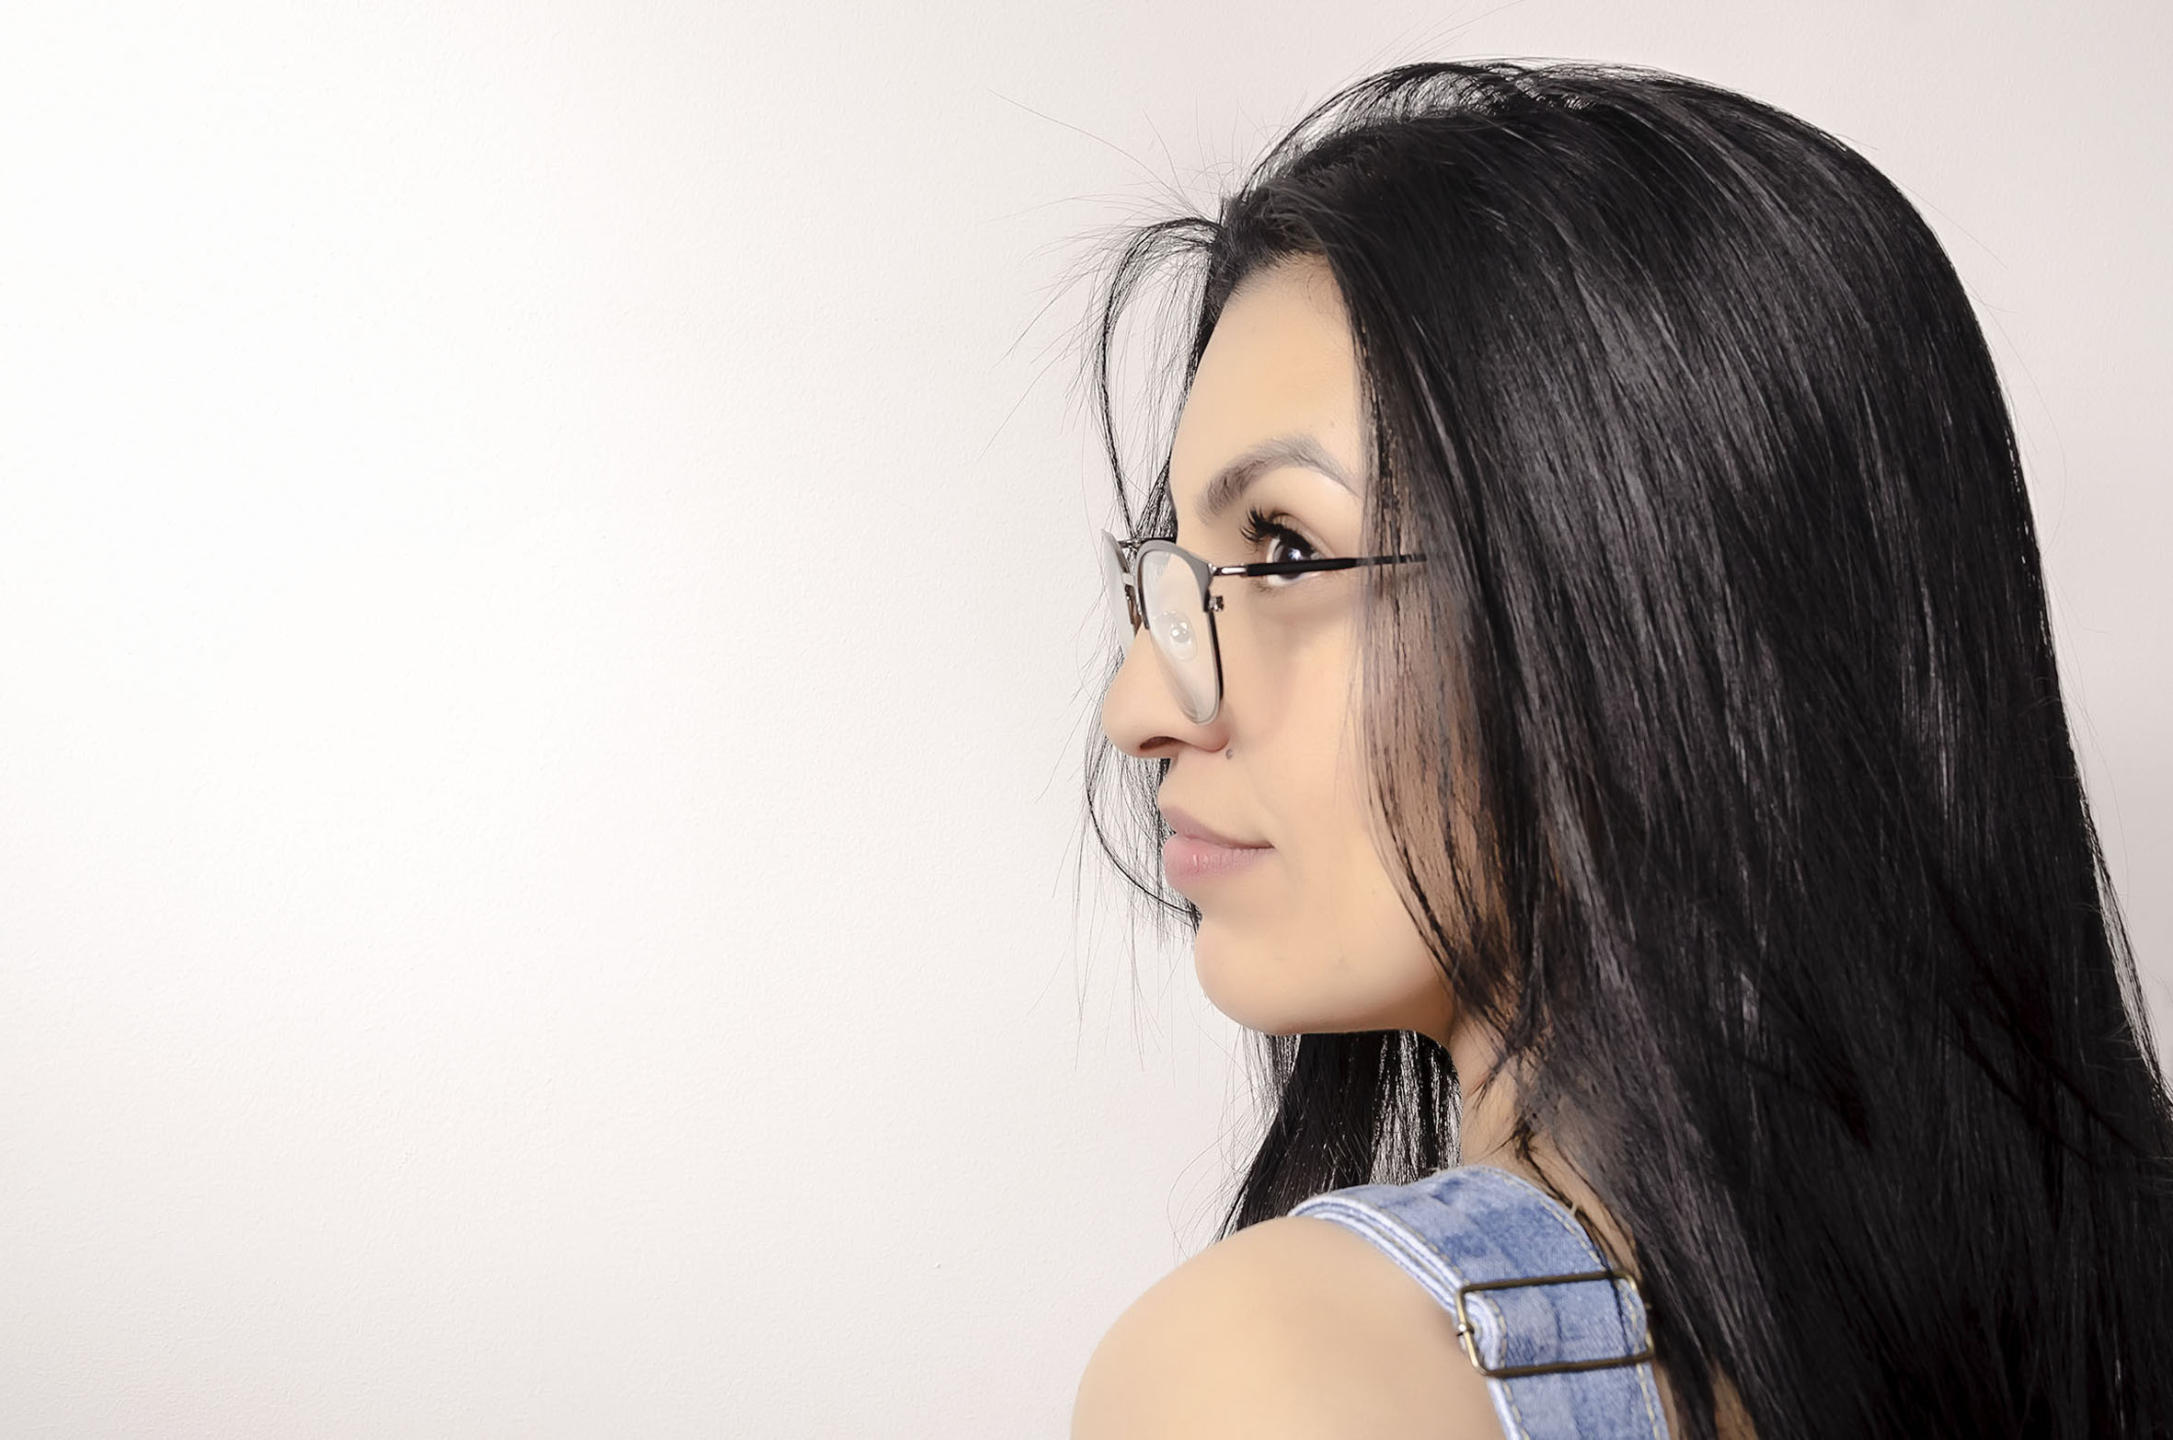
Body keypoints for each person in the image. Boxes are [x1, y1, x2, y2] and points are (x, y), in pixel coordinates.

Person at [1069, 60, 2173, 1440]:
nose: (1140, 705)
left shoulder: (1277, 1373)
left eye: (1285, 551)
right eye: (1169, 573)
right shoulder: (2101, 1309)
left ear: (1666, 603)